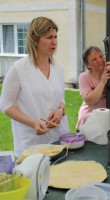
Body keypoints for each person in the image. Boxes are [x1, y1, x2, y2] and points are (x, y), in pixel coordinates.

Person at [0, 17, 70, 157]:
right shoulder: (18, 69)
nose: (54, 42)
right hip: (31, 144)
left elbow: (60, 98)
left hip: (59, 139)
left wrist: (60, 111)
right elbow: (5, 105)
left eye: (55, 36)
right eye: (49, 37)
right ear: (35, 38)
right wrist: (32, 123)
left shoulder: (59, 68)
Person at [76, 46, 110, 129]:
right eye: (94, 59)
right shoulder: (84, 77)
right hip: (90, 121)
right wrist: (102, 83)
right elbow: (90, 101)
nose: (99, 61)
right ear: (87, 65)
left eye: (101, 56)